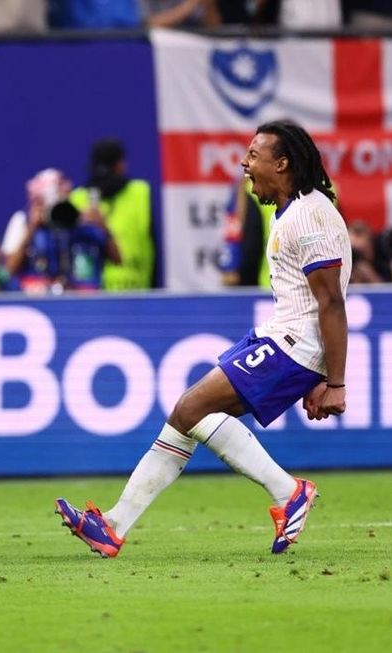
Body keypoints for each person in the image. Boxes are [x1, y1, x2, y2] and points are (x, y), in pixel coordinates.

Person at [55, 120, 350, 558]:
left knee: (191, 409)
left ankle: (287, 492)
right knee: (188, 413)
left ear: (283, 163)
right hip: (283, 338)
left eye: (254, 155)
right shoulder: (293, 210)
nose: (245, 164)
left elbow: (332, 303)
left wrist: (333, 380)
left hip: (293, 344)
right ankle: (113, 526)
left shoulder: (309, 215)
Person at [2, 168, 120, 293]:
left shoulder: (84, 225)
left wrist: (103, 227)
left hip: (84, 301)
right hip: (36, 300)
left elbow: (118, 259)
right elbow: (8, 270)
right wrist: (31, 228)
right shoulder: (22, 221)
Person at [67, 138, 154, 291]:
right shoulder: (77, 199)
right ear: (120, 165)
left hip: (136, 294)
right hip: (90, 294)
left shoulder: (140, 193)